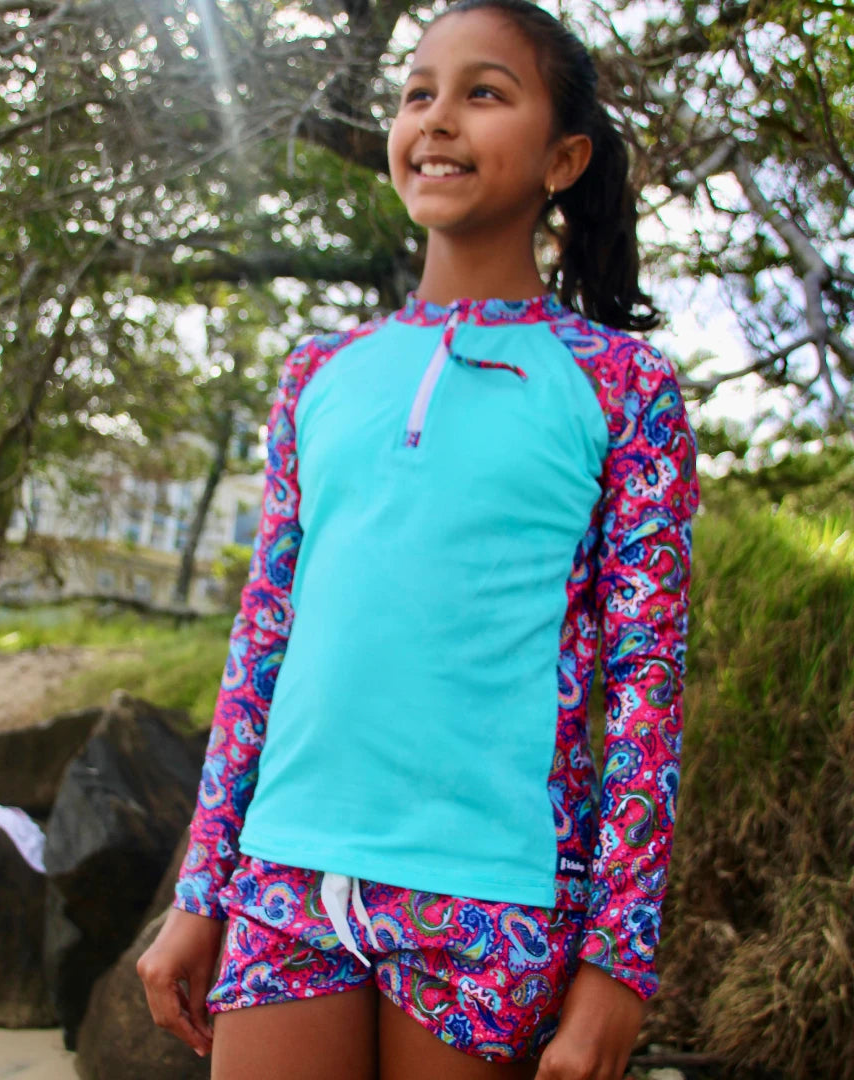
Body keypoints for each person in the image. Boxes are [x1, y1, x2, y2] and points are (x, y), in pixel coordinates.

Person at [137, 1, 701, 1076]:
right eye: (418, 94)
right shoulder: (318, 375)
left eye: (484, 93)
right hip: (285, 880)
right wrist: (202, 891)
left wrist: (616, 969)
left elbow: (644, 688)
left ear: (563, 157)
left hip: (490, 895)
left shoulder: (621, 387)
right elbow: (261, 646)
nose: (438, 119)